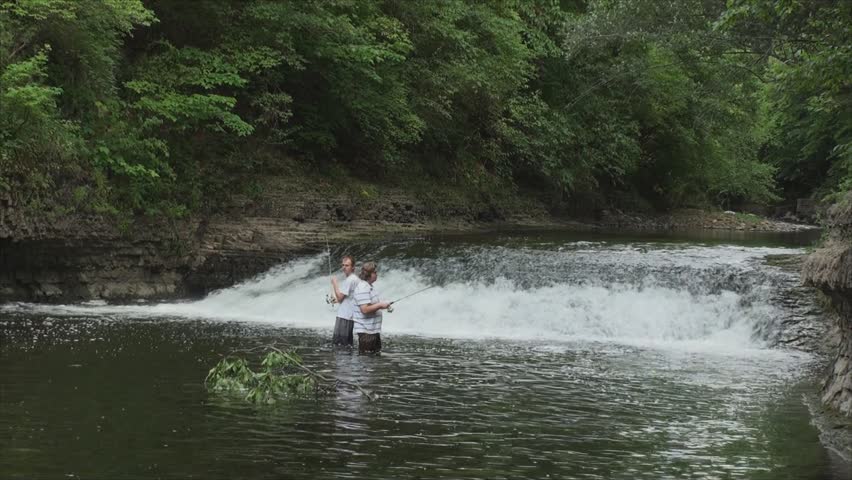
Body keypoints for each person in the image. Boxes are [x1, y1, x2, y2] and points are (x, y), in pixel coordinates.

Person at [352, 262, 391, 354]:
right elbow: (365, 309)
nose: (377, 274)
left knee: (374, 358)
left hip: (372, 330)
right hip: (366, 331)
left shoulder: (369, 287)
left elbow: (370, 304)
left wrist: (383, 303)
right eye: (375, 272)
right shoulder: (362, 288)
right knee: (366, 359)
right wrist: (380, 305)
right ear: (369, 274)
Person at [331, 255, 359, 346]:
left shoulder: (350, 280)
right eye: (343, 265)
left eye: (347, 265)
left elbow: (340, 297)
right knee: (346, 344)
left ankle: (344, 360)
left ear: (353, 267)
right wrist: (336, 300)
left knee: (340, 344)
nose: (344, 267)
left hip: (345, 316)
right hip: (349, 315)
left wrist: (335, 284)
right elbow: (348, 298)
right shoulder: (355, 279)